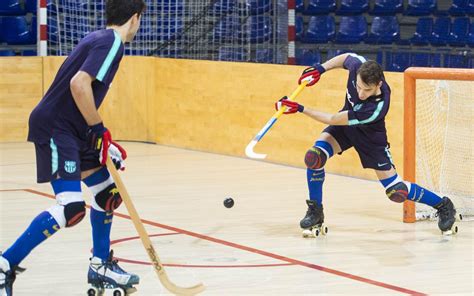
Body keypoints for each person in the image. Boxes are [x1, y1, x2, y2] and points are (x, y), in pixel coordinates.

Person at [0, 0, 146, 295]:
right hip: (57, 128)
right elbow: (79, 85)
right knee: (71, 208)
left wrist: (102, 141)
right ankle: (4, 264)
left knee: (107, 194)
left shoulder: (97, 37)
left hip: (72, 128)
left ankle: (100, 265)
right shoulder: (113, 43)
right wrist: (99, 131)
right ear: (134, 18)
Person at [274, 53, 457, 236]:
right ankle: (315, 212)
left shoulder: (376, 107)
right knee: (314, 157)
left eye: (367, 90)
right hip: (346, 128)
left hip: (370, 138)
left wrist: (300, 108)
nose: (361, 94)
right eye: (359, 87)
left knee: (396, 191)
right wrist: (320, 69)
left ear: (378, 84)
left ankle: (443, 205)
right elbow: (345, 57)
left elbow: (332, 119)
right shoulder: (358, 67)